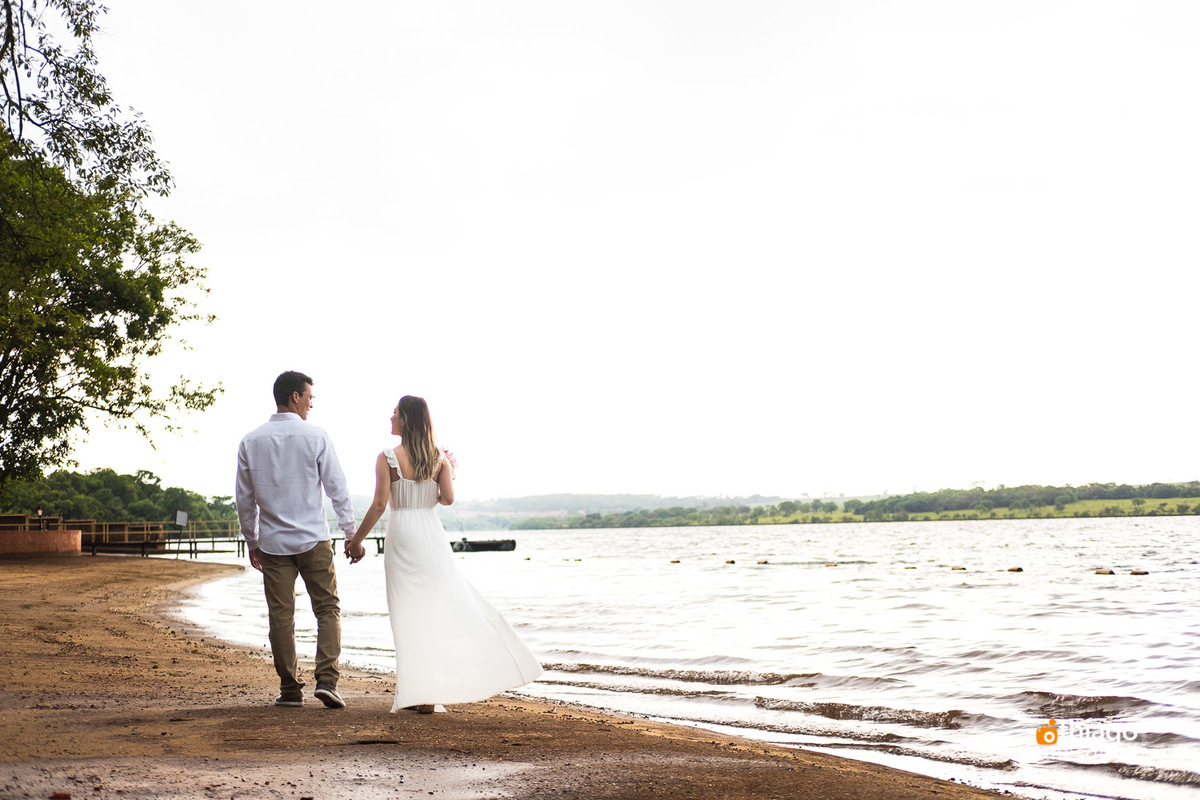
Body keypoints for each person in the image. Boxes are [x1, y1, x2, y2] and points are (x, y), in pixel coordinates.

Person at [344, 395, 542, 713]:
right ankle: (428, 694)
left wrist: (356, 541)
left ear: (406, 420)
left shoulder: (386, 457)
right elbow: (447, 499)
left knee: (406, 615)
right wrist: (432, 483)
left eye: (394, 413)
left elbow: (380, 504)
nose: (390, 417)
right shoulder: (439, 458)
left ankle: (417, 692)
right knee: (434, 611)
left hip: (403, 536)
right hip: (431, 537)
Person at [235, 371, 357, 709]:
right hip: (313, 540)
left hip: (273, 543)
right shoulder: (316, 436)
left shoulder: (251, 441)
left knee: (281, 616)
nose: (310, 404)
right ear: (294, 397)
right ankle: (327, 681)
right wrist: (350, 534)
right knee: (328, 609)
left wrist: (252, 540)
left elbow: (244, 499)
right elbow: (337, 488)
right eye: (309, 398)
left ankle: (290, 690)